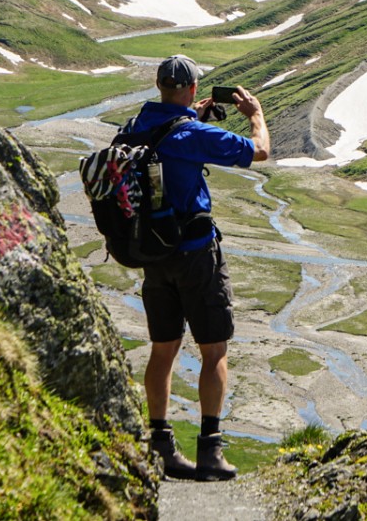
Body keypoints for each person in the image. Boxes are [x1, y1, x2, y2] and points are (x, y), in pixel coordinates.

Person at [128, 54, 270, 481]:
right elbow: (259, 152)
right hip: (195, 254)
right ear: (191, 89)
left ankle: (160, 443)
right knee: (214, 350)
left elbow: (172, 146)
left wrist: (195, 116)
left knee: (163, 347)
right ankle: (210, 449)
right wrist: (256, 115)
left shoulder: (139, 125)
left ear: (159, 87)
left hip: (155, 256)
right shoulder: (190, 133)